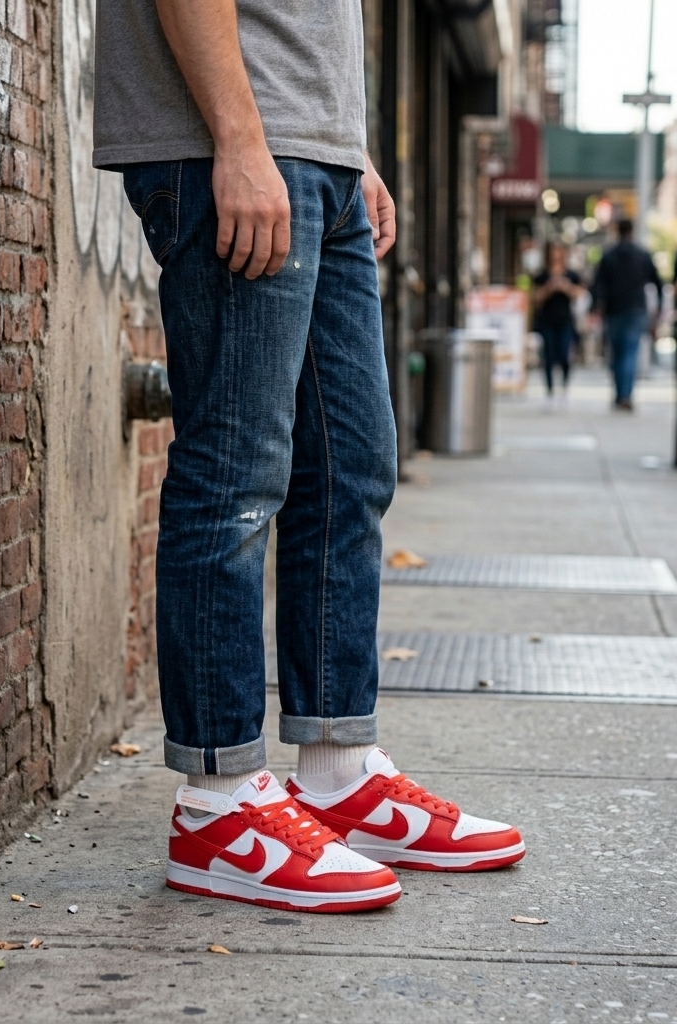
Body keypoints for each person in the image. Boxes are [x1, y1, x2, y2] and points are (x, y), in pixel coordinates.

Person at [94, 1, 524, 912]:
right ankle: (217, 801)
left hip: (312, 152)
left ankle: (336, 771)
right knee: (236, 475)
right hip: (236, 145)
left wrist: (347, 148)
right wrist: (243, 141)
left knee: (352, 471)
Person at [593, 218, 663, 411]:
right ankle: (626, 395)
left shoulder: (609, 255)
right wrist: (658, 310)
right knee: (630, 353)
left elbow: (597, 284)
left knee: (616, 354)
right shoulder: (642, 255)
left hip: (614, 310)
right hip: (635, 310)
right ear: (632, 231)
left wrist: (596, 307)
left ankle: (620, 394)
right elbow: (658, 284)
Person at [533, 242, 584, 403]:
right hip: (547, 320)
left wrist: (565, 287)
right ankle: (549, 390)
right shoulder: (542, 276)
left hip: (566, 320)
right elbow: (535, 298)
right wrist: (549, 288)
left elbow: (580, 293)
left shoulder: (571, 275)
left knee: (564, 353)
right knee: (548, 355)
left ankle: (564, 385)